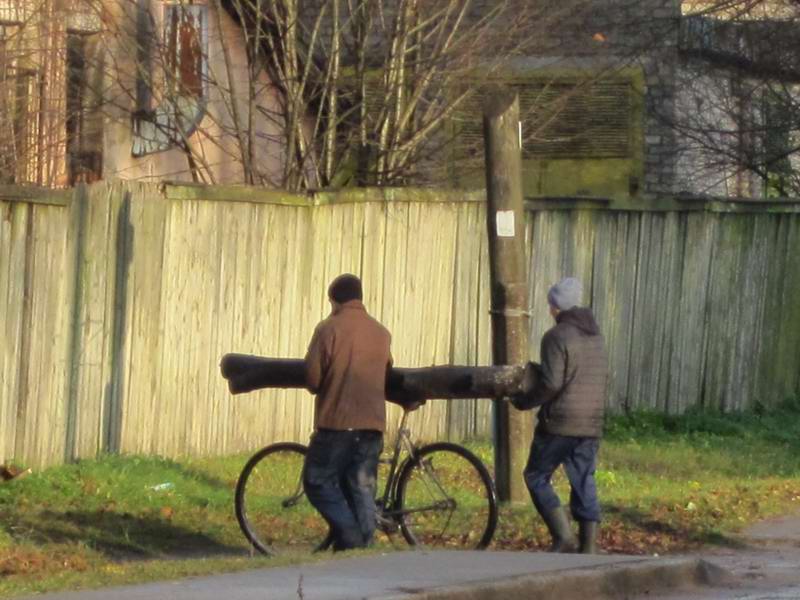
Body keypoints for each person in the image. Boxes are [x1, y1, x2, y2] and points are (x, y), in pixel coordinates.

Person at [303, 273, 416, 551]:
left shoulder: (328, 329)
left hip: (337, 423)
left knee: (317, 481)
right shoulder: (381, 332)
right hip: (372, 424)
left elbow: (313, 379)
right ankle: (363, 549)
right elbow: (387, 370)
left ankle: (350, 535)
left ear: (335, 301)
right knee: (362, 486)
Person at [511, 277, 608, 554]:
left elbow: (551, 383)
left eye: (551, 305)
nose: (549, 310)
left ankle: (563, 537)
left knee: (535, 475)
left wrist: (524, 401)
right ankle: (588, 549)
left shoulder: (556, 337)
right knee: (584, 480)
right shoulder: (596, 336)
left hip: (561, 422)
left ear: (559, 307)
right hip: (591, 423)